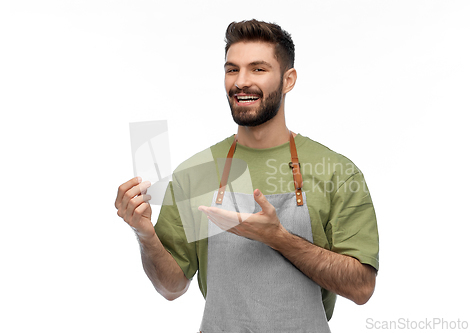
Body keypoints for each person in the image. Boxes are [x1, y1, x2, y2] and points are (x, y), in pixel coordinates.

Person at [115, 19, 379, 333]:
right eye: (232, 69)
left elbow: (361, 288)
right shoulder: (197, 172)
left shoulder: (336, 171)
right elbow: (171, 287)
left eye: (258, 69)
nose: (241, 82)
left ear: (288, 79)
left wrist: (279, 239)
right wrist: (144, 233)